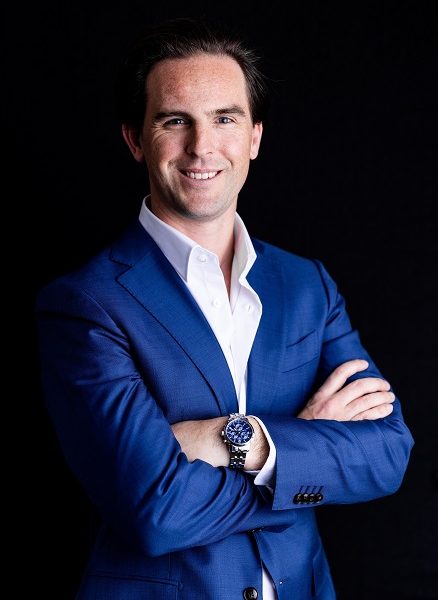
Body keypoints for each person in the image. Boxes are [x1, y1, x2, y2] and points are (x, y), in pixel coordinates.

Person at [36, 17, 414, 600]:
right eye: (175, 120)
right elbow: (155, 508)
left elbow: (387, 452)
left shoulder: (306, 285)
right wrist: (305, 450)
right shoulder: (86, 304)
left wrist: (245, 442)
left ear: (255, 137)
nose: (201, 146)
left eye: (225, 119)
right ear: (135, 140)